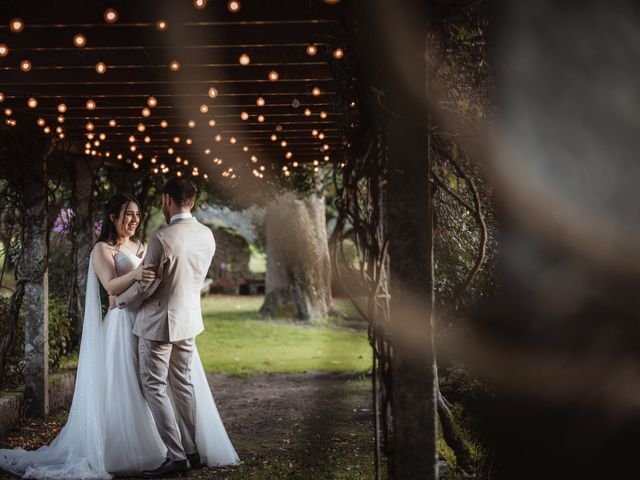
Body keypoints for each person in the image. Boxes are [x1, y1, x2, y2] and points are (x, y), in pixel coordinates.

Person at [0, 188, 239, 479]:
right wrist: (135, 276)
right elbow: (111, 287)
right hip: (123, 325)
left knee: (153, 386)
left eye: (138, 214)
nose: (134, 220)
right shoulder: (102, 250)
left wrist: (136, 284)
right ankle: (134, 449)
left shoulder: (143, 244)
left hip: (147, 319)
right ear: (113, 217)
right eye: (129, 214)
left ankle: (173, 451)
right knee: (129, 385)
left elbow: (156, 280)